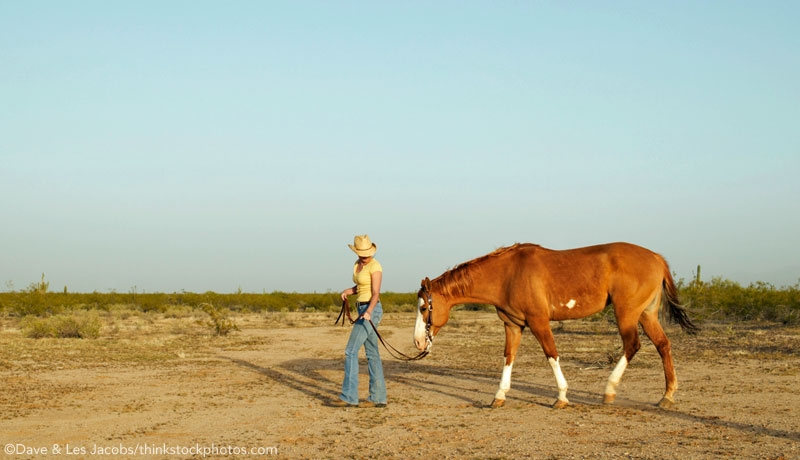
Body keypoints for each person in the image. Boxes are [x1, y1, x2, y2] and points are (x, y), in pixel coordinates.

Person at [332, 234, 387, 408]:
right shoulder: (357, 265)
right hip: (361, 307)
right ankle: (378, 397)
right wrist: (348, 291)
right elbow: (361, 287)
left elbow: (375, 292)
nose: (364, 255)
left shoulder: (375, 266)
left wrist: (369, 311)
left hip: (371, 309)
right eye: (361, 252)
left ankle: (349, 396)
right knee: (372, 353)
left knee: (350, 351)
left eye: (366, 252)